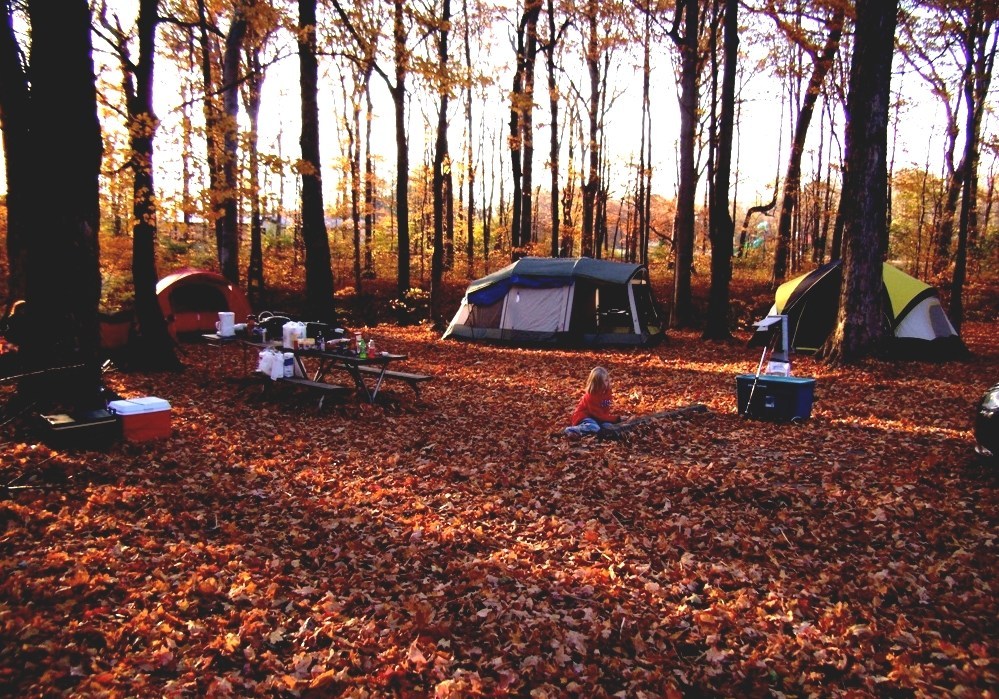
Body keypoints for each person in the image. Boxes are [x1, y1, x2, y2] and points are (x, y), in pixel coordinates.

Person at [564, 366, 624, 438]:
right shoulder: (591, 396)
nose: (605, 384)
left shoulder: (607, 392)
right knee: (595, 427)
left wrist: (609, 420)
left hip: (597, 418)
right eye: (601, 382)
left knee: (608, 426)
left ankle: (584, 433)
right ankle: (573, 430)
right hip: (584, 417)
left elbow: (605, 411)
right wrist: (617, 419)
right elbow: (599, 415)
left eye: (606, 380)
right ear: (595, 384)